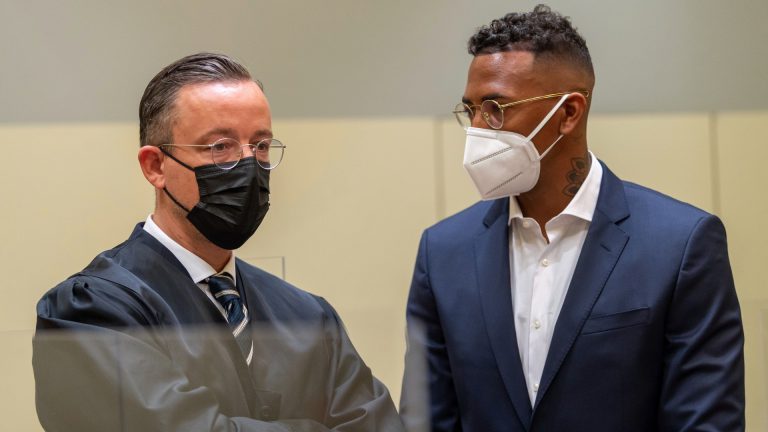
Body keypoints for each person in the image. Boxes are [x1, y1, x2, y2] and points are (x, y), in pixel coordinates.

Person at [399, 5, 744, 431]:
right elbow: (426, 420)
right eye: (470, 109)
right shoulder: (443, 252)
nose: (478, 128)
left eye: (496, 108)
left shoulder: (680, 244)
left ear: (568, 113)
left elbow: (704, 421)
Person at [33, 52, 403, 432]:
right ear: (155, 167)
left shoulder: (307, 316)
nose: (248, 165)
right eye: (220, 147)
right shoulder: (91, 311)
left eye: (260, 146)